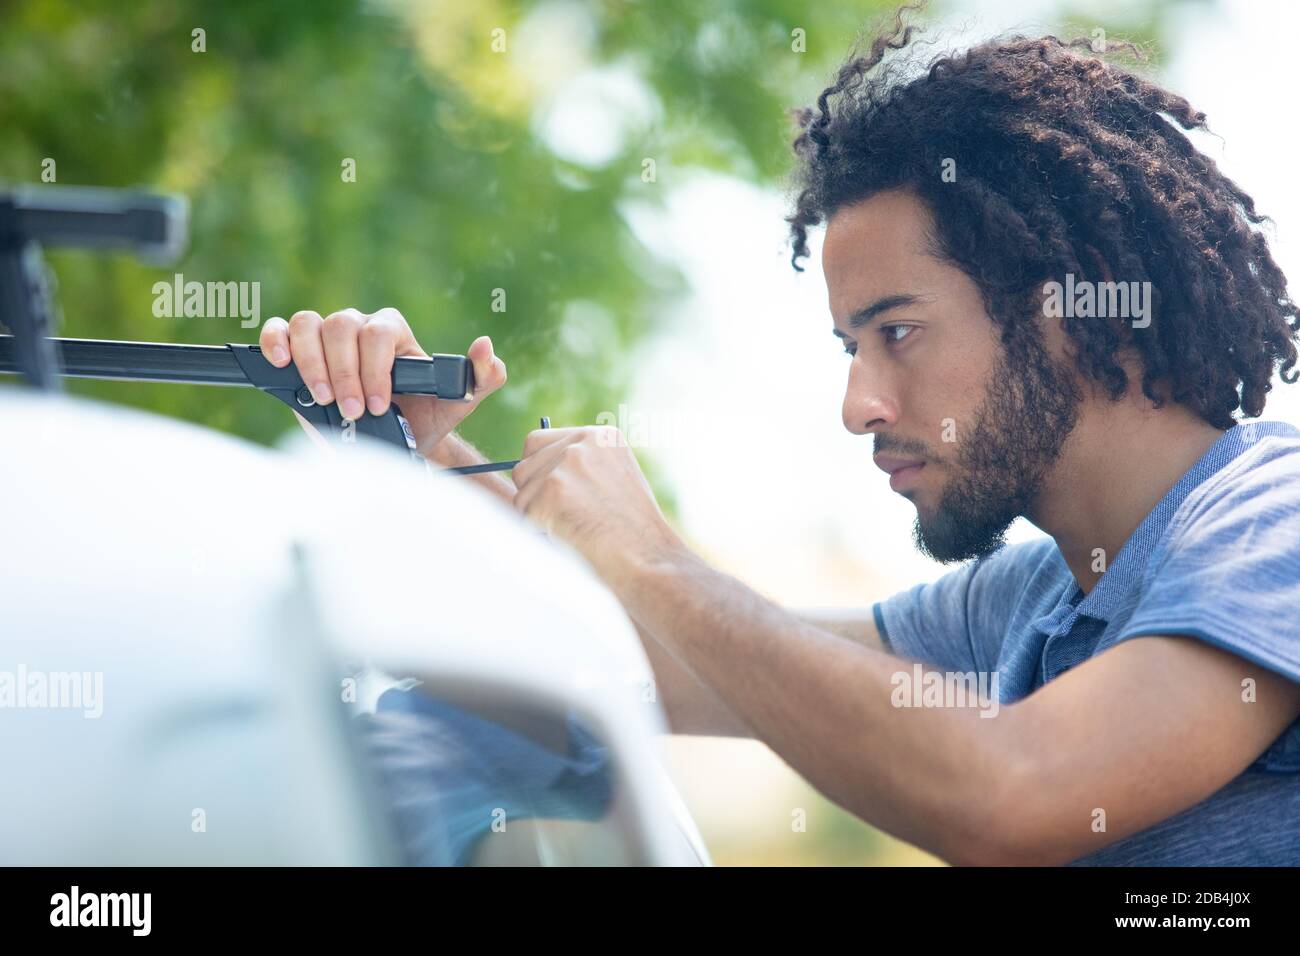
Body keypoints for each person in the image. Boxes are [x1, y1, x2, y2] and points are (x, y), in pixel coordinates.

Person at [258, 11, 1300, 865]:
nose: (859, 403)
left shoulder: (1271, 515)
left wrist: (654, 551)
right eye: (853, 345)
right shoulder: (1021, 604)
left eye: (898, 332)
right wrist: (418, 451)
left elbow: (1013, 794)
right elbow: (626, 663)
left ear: (1064, 314)